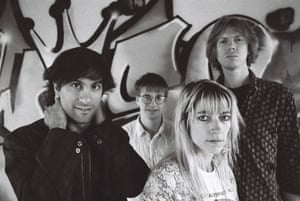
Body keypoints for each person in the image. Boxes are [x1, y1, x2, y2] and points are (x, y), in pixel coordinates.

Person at [3, 47, 149, 201]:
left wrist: (104, 132)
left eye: (95, 87)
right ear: (57, 88)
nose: (86, 98)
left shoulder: (112, 135)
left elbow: (135, 186)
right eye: (76, 85)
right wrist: (58, 135)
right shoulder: (21, 141)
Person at [206, 15, 300, 201]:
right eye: (223, 41)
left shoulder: (278, 96)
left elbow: (290, 159)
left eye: (238, 40)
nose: (231, 46)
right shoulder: (204, 101)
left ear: (249, 48)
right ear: (214, 51)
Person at [139, 79, 244, 201]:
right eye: (204, 117)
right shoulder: (167, 177)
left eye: (225, 117)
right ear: (185, 123)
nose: (217, 128)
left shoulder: (225, 172)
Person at [122, 73, 173, 170]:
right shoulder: (123, 134)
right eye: (146, 97)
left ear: (165, 101)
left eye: (159, 98)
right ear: (137, 100)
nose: (153, 104)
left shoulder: (178, 134)